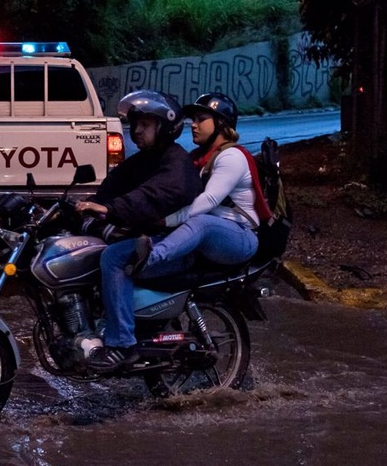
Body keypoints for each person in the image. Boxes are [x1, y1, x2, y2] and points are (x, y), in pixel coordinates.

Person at [88, 92, 266, 373]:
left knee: (202, 222)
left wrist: (164, 223)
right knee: (113, 256)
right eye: (192, 119)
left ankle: (152, 258)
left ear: (221, 124)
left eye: (201, 119)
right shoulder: (199, 158)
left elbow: (205, 204)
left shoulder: (231, 157)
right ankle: (116, 335)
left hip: (238, 236)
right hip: (204, 237)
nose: (193, 124)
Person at [75, 90, 200, 241]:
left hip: (165, 236)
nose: (137, 130)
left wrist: (111, 209)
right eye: (136, 124)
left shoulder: (177, 162)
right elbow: (114, 184)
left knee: (111, 259)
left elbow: (154, 195)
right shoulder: (143, 158)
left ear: (165, 127)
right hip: (143, 229)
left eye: (145, 124)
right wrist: (88, 204)